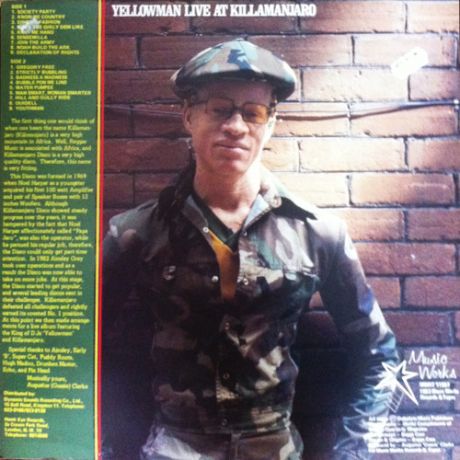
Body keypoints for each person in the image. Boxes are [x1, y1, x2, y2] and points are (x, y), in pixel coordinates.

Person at [102, 38, 400, 460]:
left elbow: (378, 356)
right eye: (219, 109)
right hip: (176, 447)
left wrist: (355, 453)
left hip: (274, 447)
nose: (236, 127)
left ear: (271, 123)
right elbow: (74, 348)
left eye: (253, 112)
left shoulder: (318, 234)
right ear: (188, 115)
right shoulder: (138, 233)